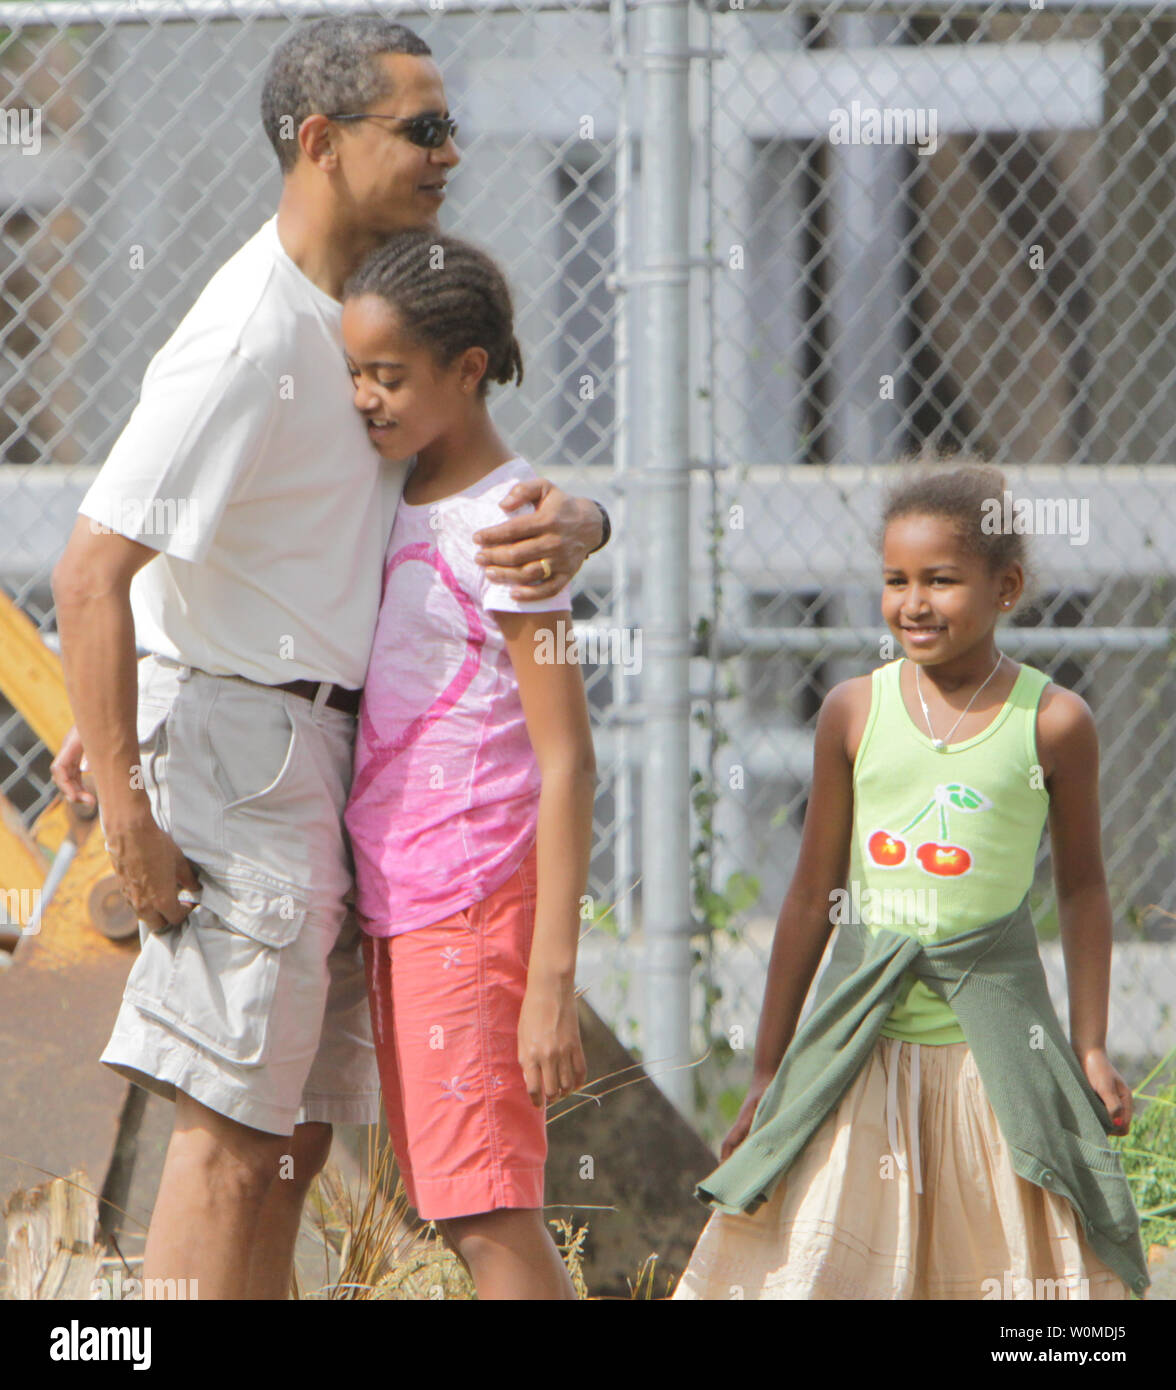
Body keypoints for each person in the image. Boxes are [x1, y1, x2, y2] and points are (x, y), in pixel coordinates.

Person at [49, 17, 609, 1301]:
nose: (451, 151)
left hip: (341, 769)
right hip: (246, 761)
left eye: (449, 125)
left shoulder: (369, 323)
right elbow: (93, 566)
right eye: (422, 128)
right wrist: (134, 805)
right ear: (319, 140)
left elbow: (469, 472)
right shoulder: (249, 334)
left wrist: (584, 518)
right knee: (233, 1141)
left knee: (292, 1146)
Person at [672, 463, 1149, 1301]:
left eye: (941, 580)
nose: (913, 602)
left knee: (1006, 1265)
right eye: (895, 580)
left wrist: (1091, 1045)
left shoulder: (1054, 722)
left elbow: (1082, 890)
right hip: (864, 1047)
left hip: (991, 1057)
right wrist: (768, 1071)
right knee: (818, 1260)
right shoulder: (853, 711)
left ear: (1007, 587)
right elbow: (813, 893)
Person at [340, 229, 594, 1299]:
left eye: (389, 376)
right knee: (457, 1198)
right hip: (410, 904)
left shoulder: (511, 524)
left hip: (477, 899)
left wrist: (549, 984)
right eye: (354, 374)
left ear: (468, 368)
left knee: (488, 1209)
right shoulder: (394, 492)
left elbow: (569, 757)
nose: (366, 398)